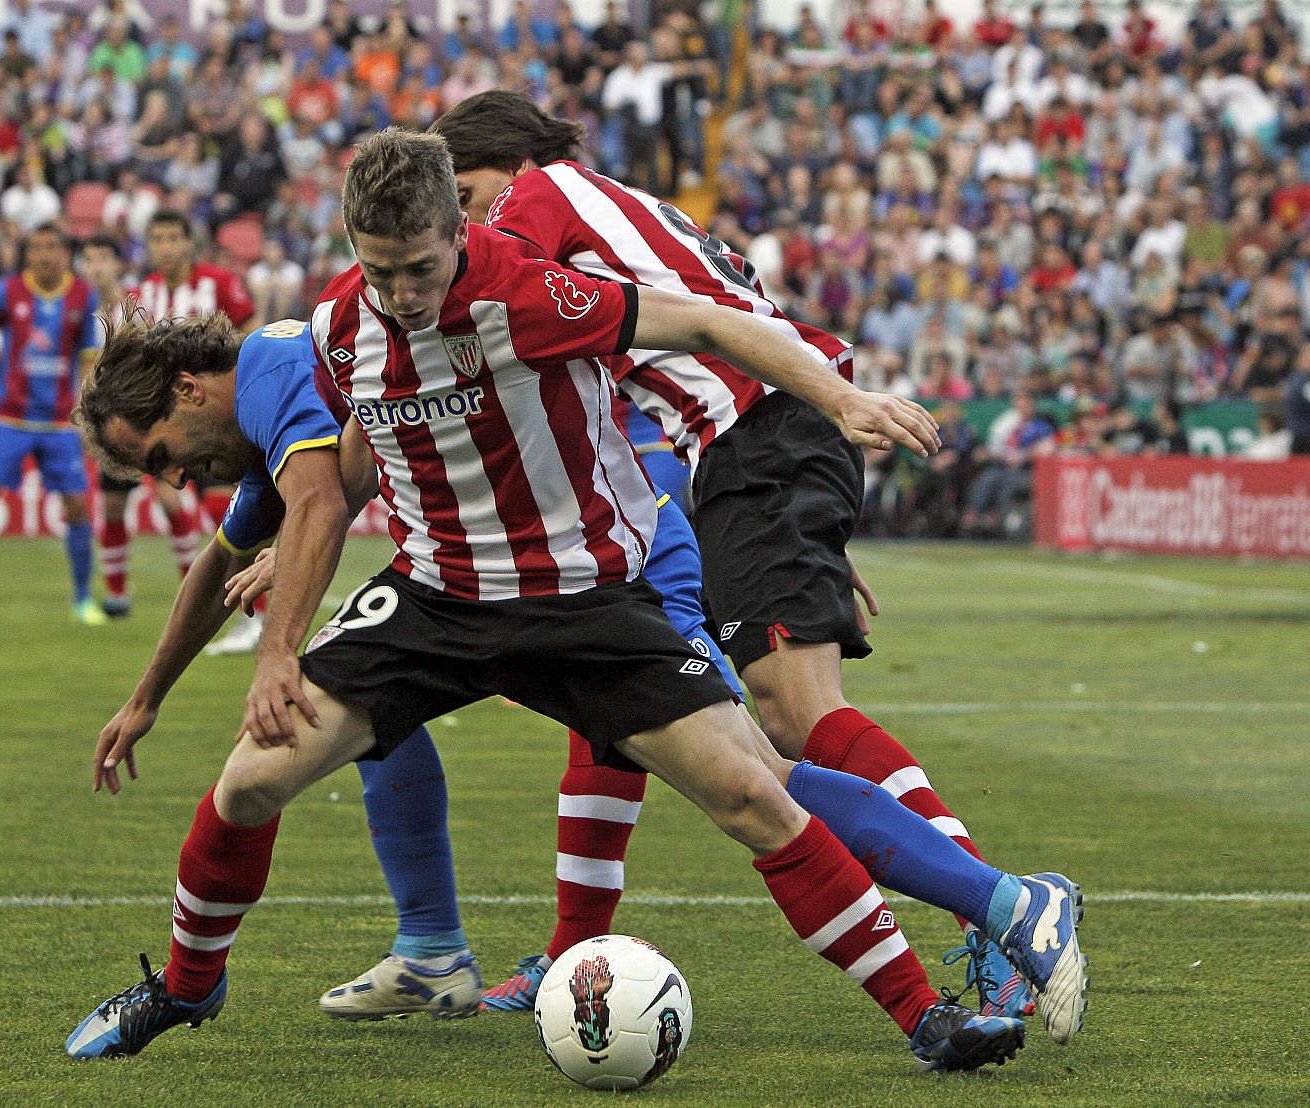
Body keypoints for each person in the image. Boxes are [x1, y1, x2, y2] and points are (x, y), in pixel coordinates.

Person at [63, 128, 1086, 1065]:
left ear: (456, 233)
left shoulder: (530, 293)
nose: (405, 293)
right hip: (436, 600)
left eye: (420, 268)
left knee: (754, 793)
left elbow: (709, 323)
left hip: (587, 601)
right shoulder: (339, 327)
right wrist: (269, 587)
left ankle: (927, 1017)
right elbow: (348, 463)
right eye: (382, 272)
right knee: (247, 783)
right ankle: (190, 989)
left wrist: (839, 394)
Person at [432, 90, 1036, 1019]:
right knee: (616, 688)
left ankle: (996, 912)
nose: (468, 220)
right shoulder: (610, 210)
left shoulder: (537, 196)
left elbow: (460, 301)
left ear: (507, 168)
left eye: (467, 195)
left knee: (795, 712)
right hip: (750, 457)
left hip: (762, 438)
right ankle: (571, 948)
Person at [0, 224, 106, 629]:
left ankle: (83, 599)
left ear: (65, 253)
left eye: (53, 247)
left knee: (77, 505)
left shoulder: (82, 295)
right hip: (10, 416)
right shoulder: (6, 292)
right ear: (26, 254)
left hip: (59, 420)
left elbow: (88, 355)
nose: (45, 254)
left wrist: (86, 401)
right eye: (38, 247)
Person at [131, 208, 256, 633]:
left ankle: (251, 612)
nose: (166, 247)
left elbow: (251, 331)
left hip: (218, 417)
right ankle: (199, 588)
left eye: (173, 237)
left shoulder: (218, 283)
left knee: (230, 512)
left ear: (188, 242)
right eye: (157, 238)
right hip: (170, 422)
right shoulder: (141, 295)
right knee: (171, 499)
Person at [81, 234, 204, 617]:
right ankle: (117, 594)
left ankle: (192, 587)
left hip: (153, 419)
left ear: (118, 264)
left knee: (170, 498)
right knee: (114, 506)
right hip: (118, 421)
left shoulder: (138, 303)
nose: (97, 266)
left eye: (103, 257)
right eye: (90, 259)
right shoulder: (84, 309)